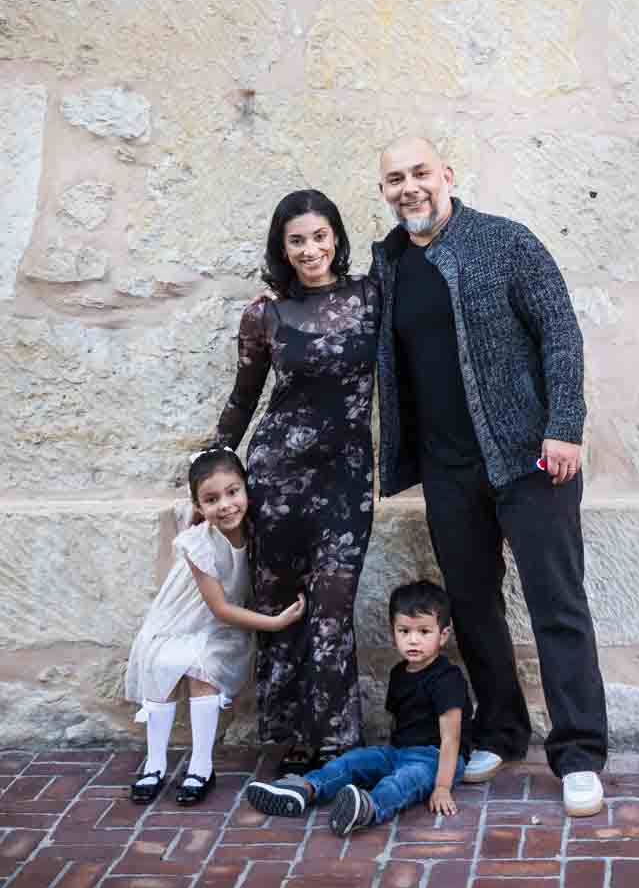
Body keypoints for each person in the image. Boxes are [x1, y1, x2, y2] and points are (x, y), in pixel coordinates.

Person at [371, 135, 608, 819]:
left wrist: (564, 426)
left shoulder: (506, 242)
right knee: (473, 607)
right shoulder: (388, 264)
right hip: (448, 469)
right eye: (394, 179)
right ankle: (501, 732)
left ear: (447, 174)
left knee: (556, 606)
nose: (409, 187)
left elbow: (559, 333)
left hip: (531, 460)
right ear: (383, 192)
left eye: (419, 173)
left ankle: (580, 754)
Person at [209, 189, 379, 767]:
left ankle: (339, 744)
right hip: (276, 482)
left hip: (347, 482)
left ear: (336, 236)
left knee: (332, 607)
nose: (311, 249)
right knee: (283, 608)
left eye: (320, 235)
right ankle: (295, 741)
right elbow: (243, 398)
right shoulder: (265, 313)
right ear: (282, 248)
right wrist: (210, 472)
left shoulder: (371, 297)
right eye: (297, 240)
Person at [125, 447, 304, 805]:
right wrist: (273, 622)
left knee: (203, 668)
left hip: (219, 631)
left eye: (232, 492)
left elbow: (224, 616)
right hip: (181, 621)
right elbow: (219, 607)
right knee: (162, 663)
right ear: (198, 506)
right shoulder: (198, 544)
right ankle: (155, 762)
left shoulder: (255, 529)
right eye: (211, 499)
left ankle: (201, 766)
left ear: (245, 490)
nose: (225, 505)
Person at [242, 579, 473, 834]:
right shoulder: (399, 673)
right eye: (404, 631)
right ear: (393, 632)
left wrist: (442, 787)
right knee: (352, 761)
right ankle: (305, 789)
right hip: (397, 752)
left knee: (403, 781)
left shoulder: (447, 679)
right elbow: (397, 720)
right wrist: (385, 757)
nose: (413, 640)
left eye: (424, 632)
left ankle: (368, 807)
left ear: (443, 635)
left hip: (434, 757)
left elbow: (451, 738)